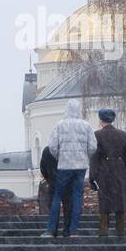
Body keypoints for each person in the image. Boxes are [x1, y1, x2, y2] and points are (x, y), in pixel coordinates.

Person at [43, 99, 97, 238]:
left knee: (57, 197)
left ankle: (50, 230)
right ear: (79, 110)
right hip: (80, 167)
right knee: (77, 197)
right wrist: (84, 156)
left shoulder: (59, 125)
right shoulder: (86, 126)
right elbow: (93, 147)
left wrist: (60, 157)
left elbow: (52, 147)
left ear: (66, 110)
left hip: (64, 166)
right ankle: (73, 231)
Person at [90, 108, 126, 239]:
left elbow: (94, 157)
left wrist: (92, 177)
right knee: (120, 201)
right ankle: (120, 230)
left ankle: (104, 230)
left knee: (105, 201)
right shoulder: (123, 135)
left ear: (101, 120)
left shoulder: (96, 135)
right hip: (119, 169)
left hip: (104, 169)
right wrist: (125, 173)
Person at [37, 145, 73, 237]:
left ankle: (53, 230)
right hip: (67, 182)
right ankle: (67, 230)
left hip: (54, 183)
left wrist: (50, 178)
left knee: (54, 206)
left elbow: (43, 168)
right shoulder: (69, 149)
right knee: (68, 207)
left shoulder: (47, 150)